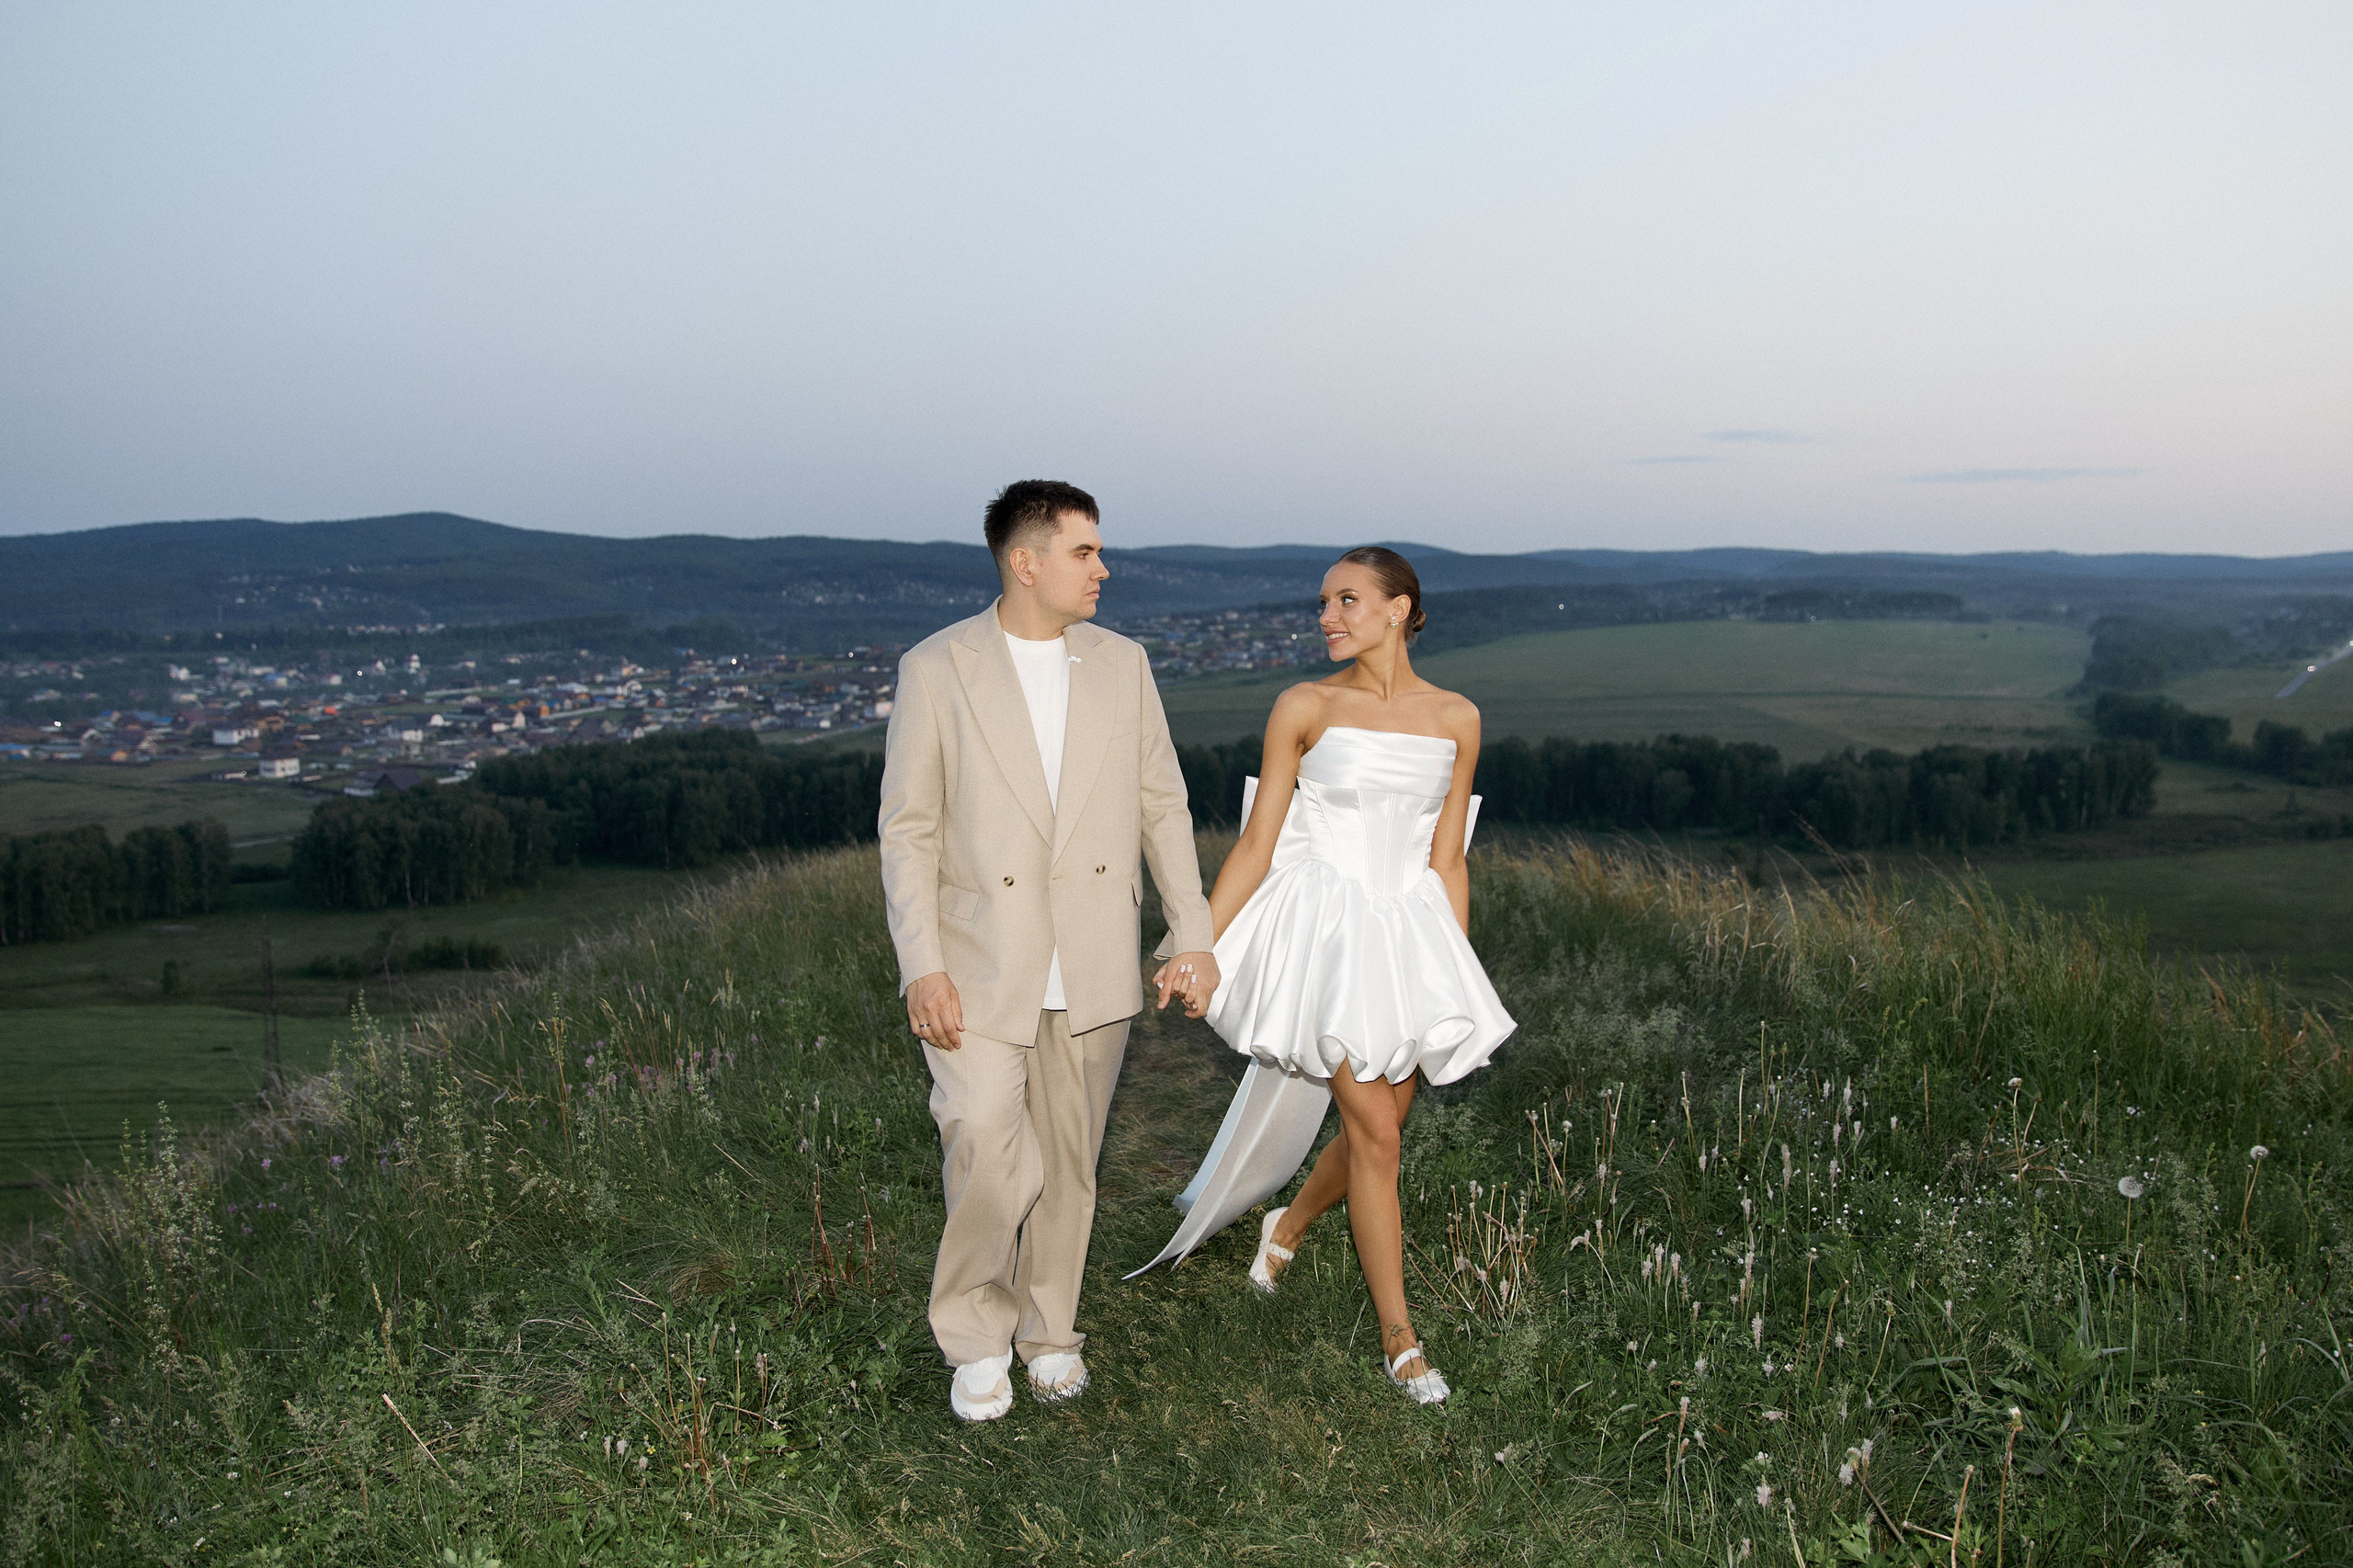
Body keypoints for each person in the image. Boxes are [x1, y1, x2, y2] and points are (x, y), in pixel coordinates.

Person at [878, 479, 1222, 1422]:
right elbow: (907, 829)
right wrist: (922, 963)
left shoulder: (1124, 663)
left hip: (1096, 953)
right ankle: (975, 1331)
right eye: (1084, 551)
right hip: (977, 959)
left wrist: (1190, 933)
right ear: (1027, 562)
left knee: (1070, 1159)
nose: (1102, 567)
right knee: (987, 1138)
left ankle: (1049, 1329)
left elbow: (1162, 805)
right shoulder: (938, 667)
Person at [1151, 546, 1514, 1405]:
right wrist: (1193, 944)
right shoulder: (1304, 707)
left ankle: (1290, 1223)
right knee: (1382, 1139)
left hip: (1412, 937)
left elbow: (1449, 859)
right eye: (1323, 602)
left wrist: (1449, 971)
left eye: (1346, 600)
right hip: (1327, 934)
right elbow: (1258, 844)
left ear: (1400, 608)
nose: (1327, 616)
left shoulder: (1458, 716)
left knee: (1372, 1128)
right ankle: (1402, 1341)